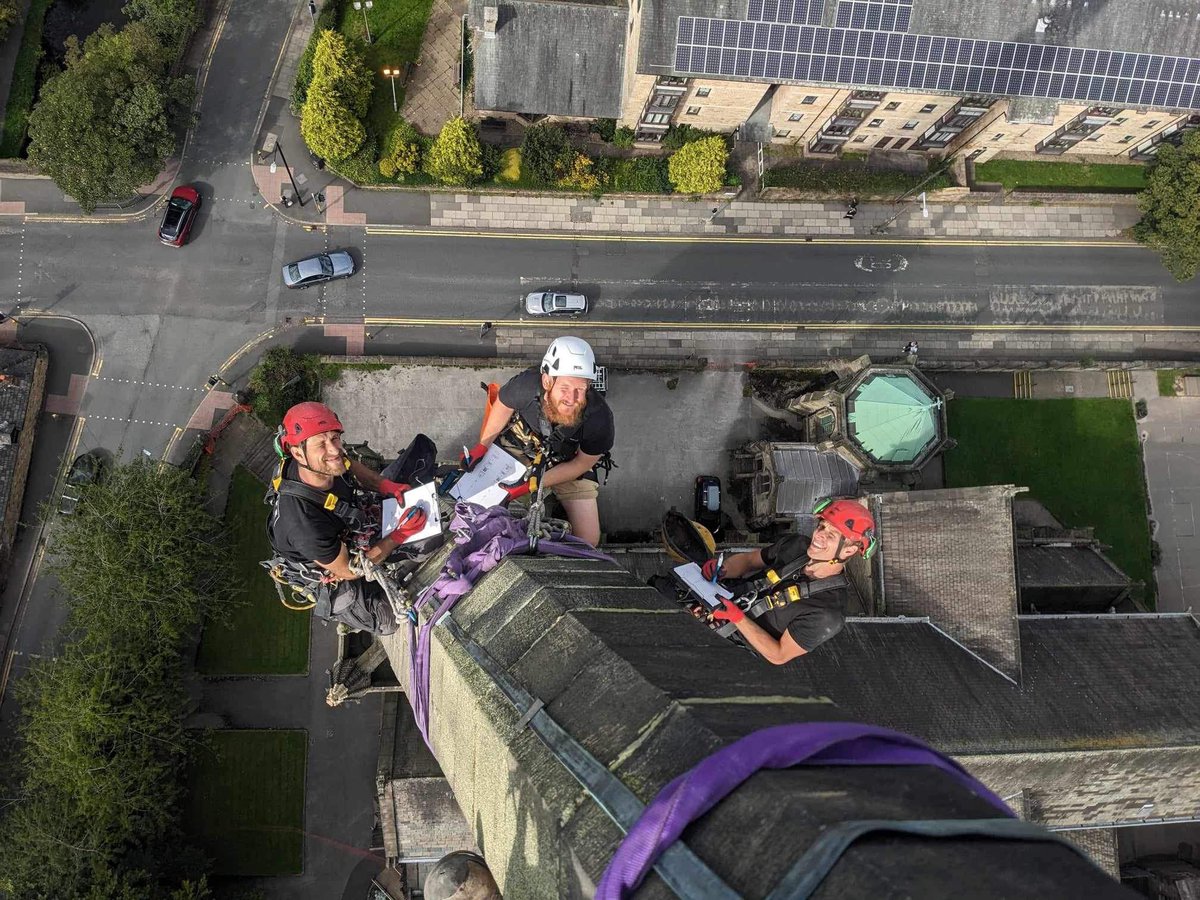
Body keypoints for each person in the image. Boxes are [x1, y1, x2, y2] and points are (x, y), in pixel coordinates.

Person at [266, 401, 435, 635]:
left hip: (348, 527)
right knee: (387, 622)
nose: (334, 450)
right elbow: (349, 570)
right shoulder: (302, 523)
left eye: (334, 438)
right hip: (331, 566)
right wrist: (401, 534)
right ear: (297, 453)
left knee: (423, 449)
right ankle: (360, 609)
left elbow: (347, 463)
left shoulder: (322, 463)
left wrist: (386, 486)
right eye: (321, 444)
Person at [462, 337, 614, 546]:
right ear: (547, 381)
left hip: (566, 463)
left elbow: (582, 463)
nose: (572, 398)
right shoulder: (527, 385)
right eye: (565, 387)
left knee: (589, 540)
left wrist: (530, 486)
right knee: (473, 505)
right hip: (522, 446)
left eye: (581, 389)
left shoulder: (599, 417)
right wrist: (483, 445)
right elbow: (504, 404)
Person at [701, 499, 876, 665]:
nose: (819, 535)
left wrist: (737, 618)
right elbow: (749, 561)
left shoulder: (828, 613)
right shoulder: (796, 546)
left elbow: (778, 655)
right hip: (720, 601)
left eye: (831, 535)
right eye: (822, 526)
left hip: (733, 644)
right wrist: (723, 569)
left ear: (848, 550)